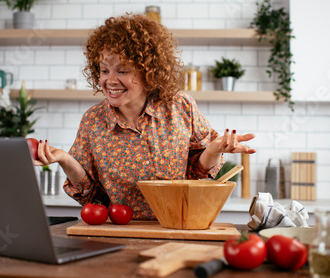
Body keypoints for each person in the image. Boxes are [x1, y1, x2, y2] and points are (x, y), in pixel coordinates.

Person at [35, 13, 256, 220]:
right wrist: (64, 159)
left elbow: (197, 177)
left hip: (177, 225)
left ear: (149, 71)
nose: (110, 81)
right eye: (104, 70)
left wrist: (213, 150)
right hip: (120, 232)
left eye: (123, 71)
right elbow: (91, 196)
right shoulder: (93, 120)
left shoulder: (180, 106)